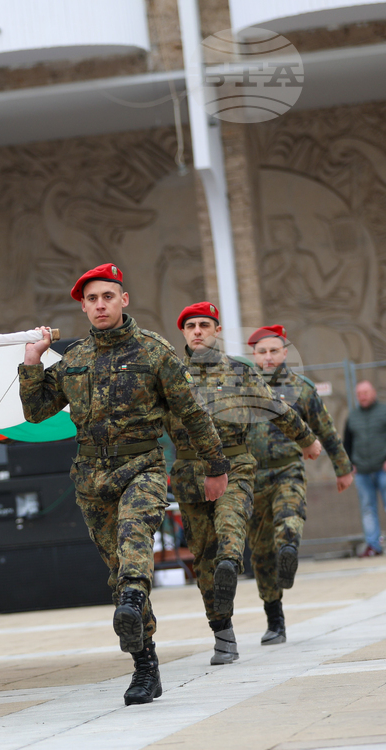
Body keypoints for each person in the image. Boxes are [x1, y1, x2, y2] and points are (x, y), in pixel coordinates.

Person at [19, 263, 230, 706]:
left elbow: (191, 413)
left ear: (123, 300)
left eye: (108, 296)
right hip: (91, 480)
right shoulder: (73, 359)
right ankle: (145, 666)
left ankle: (134, 596)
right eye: (92, 299)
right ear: (83, 305)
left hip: (143, 468)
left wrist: (216, 466)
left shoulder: (154, 351)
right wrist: (33, 361)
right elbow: (36, 412)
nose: (100, 305)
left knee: (135, 545)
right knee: (117, 572)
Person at [165, 307, 320, 665]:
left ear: (217, 330)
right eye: (190, 326)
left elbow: (275, 407)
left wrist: (307, 439)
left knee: (231, 524)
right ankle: (223, 633)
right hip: (190, 473)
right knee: (203, 556)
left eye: (204, 325)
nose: (198, 331)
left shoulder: (238, 371)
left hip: (235, 463)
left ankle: (231, 564)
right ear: (184, 333)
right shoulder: (170, 374)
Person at [246, 325, 352, 644]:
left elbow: (326, 429)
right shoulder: (239, 389)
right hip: (251, 477)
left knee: (290, 514)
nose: (268, 357)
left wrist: (342, 468)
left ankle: (289, 549)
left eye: (273, 351)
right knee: (261, 552)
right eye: (262, 352)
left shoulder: (302, 389)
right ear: (254, 355)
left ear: (285, 353)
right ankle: (274, 619)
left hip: (288, 468)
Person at [344, 380, 386, 556]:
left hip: (383, 469)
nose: (363, 396)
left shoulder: (384, 412)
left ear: (373, 393)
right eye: (359, 394)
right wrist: (349, 465)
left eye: (366, 392)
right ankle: (373, 545)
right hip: (362, 472)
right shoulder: (352, 417)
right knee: (368, 509)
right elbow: (347, 443)